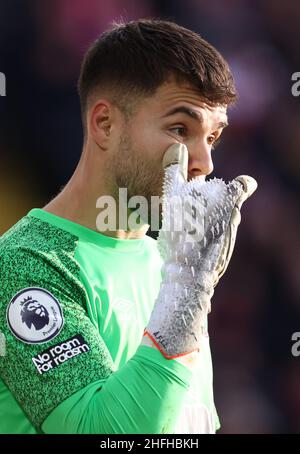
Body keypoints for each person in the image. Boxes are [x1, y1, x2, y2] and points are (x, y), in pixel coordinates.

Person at [0, 19, 256, 434]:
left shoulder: (169, 261)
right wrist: (188, 289)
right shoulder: (24, 266)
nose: (204, 164)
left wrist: (188, 283)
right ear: (104, 124)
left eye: (211, 138)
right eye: (179, 129)